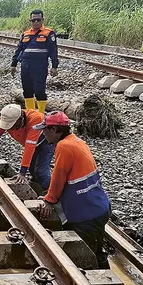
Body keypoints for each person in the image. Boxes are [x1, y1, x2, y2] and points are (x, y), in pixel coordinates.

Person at [36, 111, 111, 268]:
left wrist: (49, 200)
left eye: (44, 130)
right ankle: (106, 277)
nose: (43, 133)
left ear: (53, 130)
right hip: (99, 206)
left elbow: (59, 177)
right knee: (97, 250)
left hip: (85, 214)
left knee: (87, 258)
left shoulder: (64, 147)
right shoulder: (76, 141)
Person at [0, 103, 55, 191]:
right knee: (32, 168)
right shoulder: (6, 118)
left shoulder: (36, 119)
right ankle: (37, 186)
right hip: (31, 143)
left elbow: (29, 147)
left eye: (12, 125)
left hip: (45, 142)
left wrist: (22, 173)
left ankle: (52, 195)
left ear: (20, 119)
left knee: (41, 171)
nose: (10, 128)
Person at [10, 10, 59, 114]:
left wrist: (54, 66)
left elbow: (53, 51)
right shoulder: (26, 33)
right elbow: (19, 50)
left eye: (38, 20)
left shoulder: (48, 33)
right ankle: (30, 113)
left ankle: (40, 114)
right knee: (27, 90)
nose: (36, 22)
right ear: (30, 21)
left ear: (42, 20)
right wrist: (13, 64)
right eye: (33, 20)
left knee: (39, 90)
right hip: (25, 66)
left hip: (39, 67)